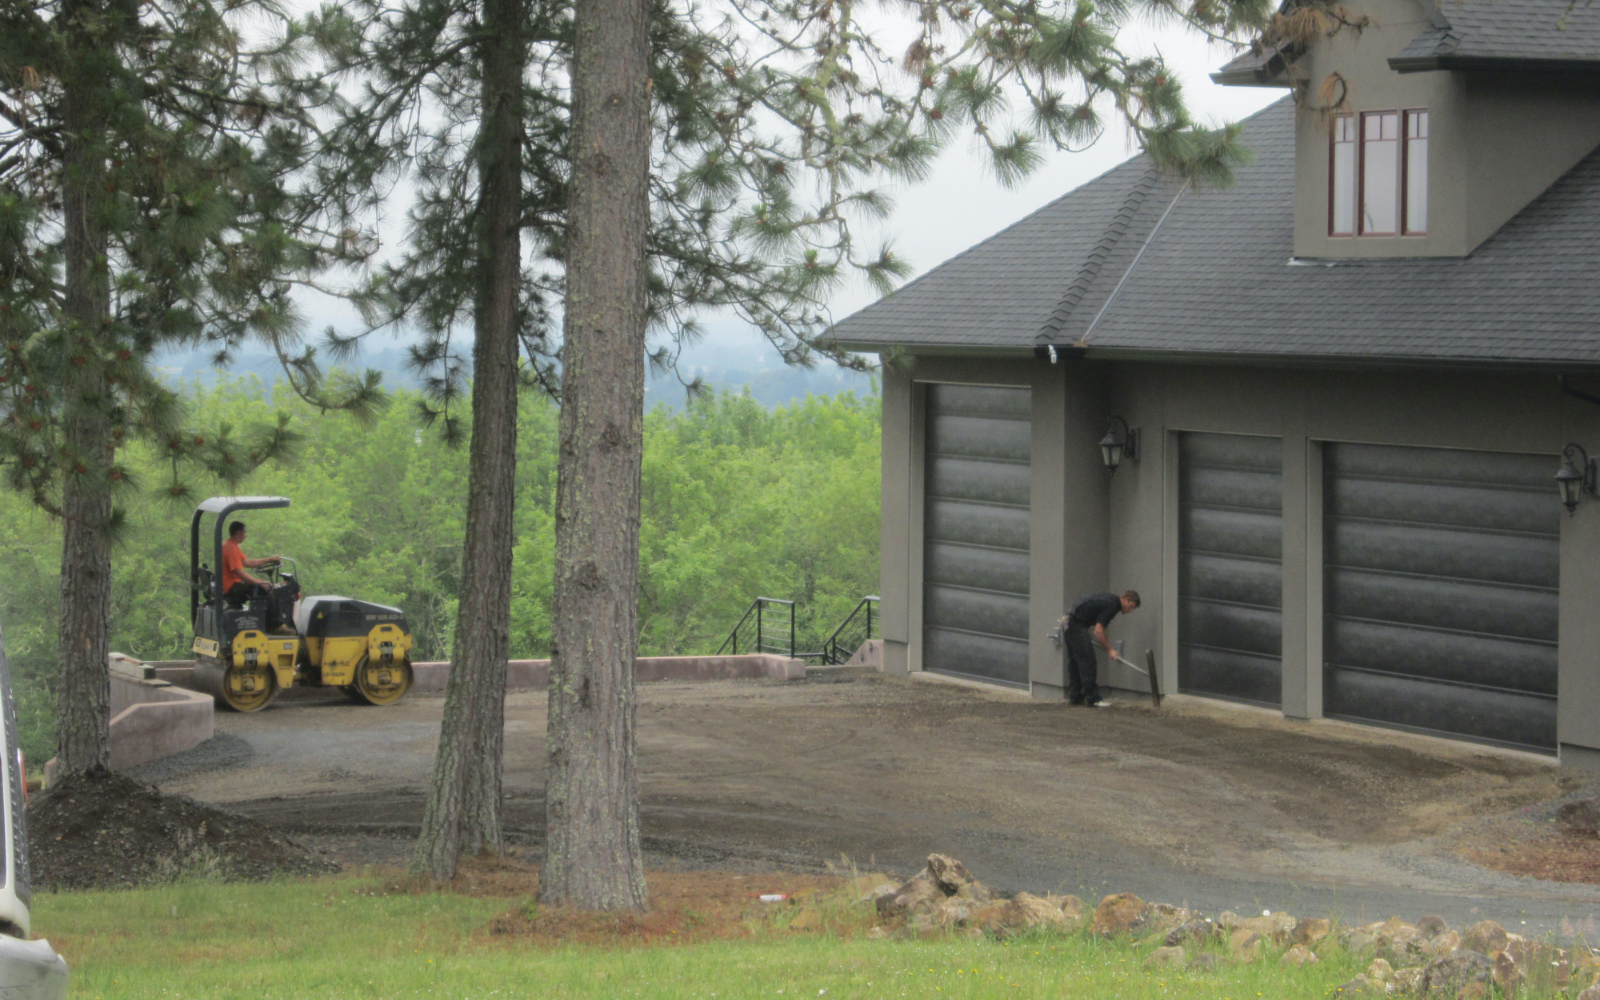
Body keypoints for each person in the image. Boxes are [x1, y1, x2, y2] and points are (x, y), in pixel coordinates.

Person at [1061, 589, 1140, 707]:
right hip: (1076, 625)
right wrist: (1110, 650)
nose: (1130, 611)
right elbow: (1098, 631)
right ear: (1125, 600)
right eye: (1131, 606)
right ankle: (1092, 698)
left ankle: (1075, 696)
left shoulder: (1109, 599)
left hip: (1068, 622)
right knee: (1088, 662)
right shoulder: (1112, 606)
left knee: (1075, 662)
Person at [220, 521, 291, 633]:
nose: (246, 536)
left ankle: (268, 623)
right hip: (231, 587)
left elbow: (247, 563)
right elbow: (239, 573)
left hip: (232, 585)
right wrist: (259, 583)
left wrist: (269, 559)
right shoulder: (230, 548)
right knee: (266, 588)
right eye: (245, 533)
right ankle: (276, 626)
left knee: (264, 586)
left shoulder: (231, 545)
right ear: (239, 533)